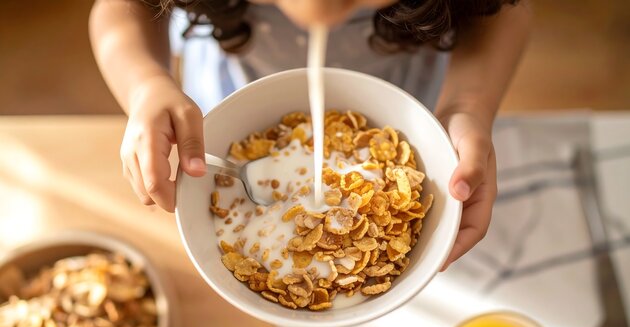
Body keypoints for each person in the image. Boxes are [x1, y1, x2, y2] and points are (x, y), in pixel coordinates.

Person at [89, 0, 532, 270]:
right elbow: (121, 9)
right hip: (219, 99)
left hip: (413, 103)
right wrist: (145, 83)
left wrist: (467, 104)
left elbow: (498, 11)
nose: (318, 8)